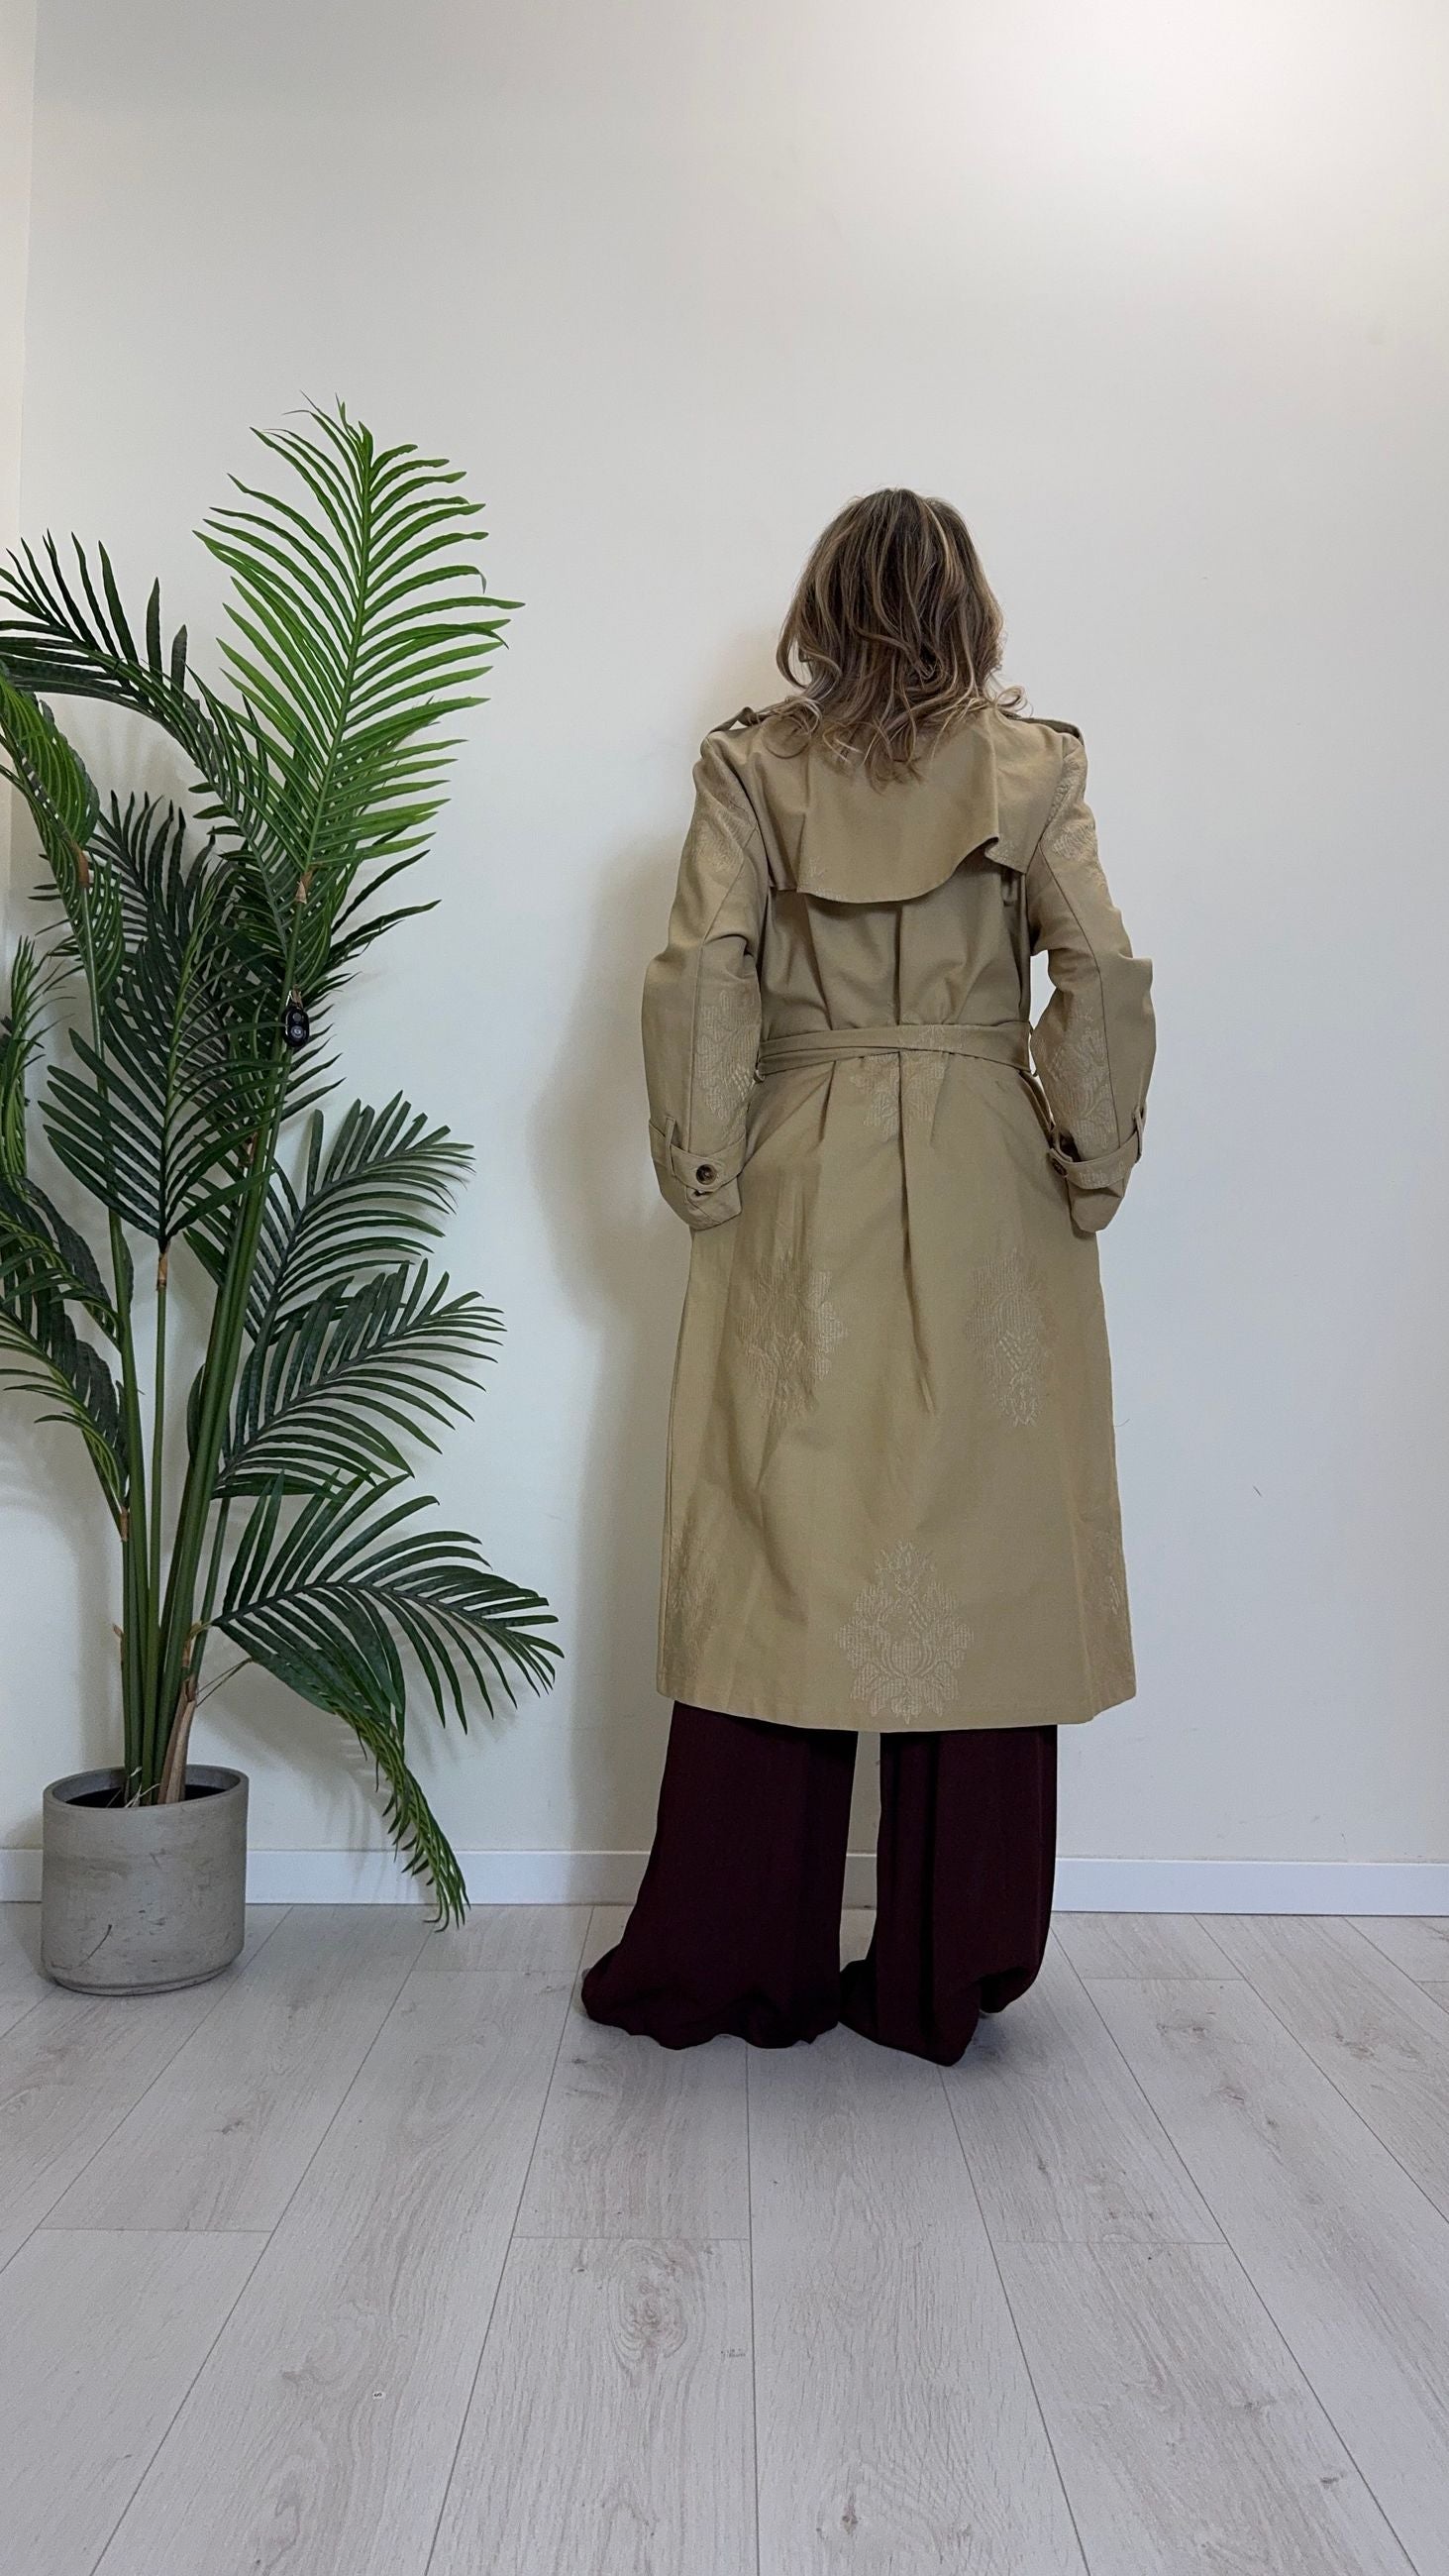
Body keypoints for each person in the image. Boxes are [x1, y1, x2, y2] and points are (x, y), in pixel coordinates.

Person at [582, 489, 1156, 2065]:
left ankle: (736, 1955)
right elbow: (1098, 969)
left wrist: (703, 1162)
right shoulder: (1038, 768)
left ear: (821, 607)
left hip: (800, 1164)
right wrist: (1091, 1158)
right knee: (986, 1560)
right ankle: (944, 1972)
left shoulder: (751, 767)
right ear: (971, 607)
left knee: (779, 1543)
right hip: (989, 1179)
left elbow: (703, 972)